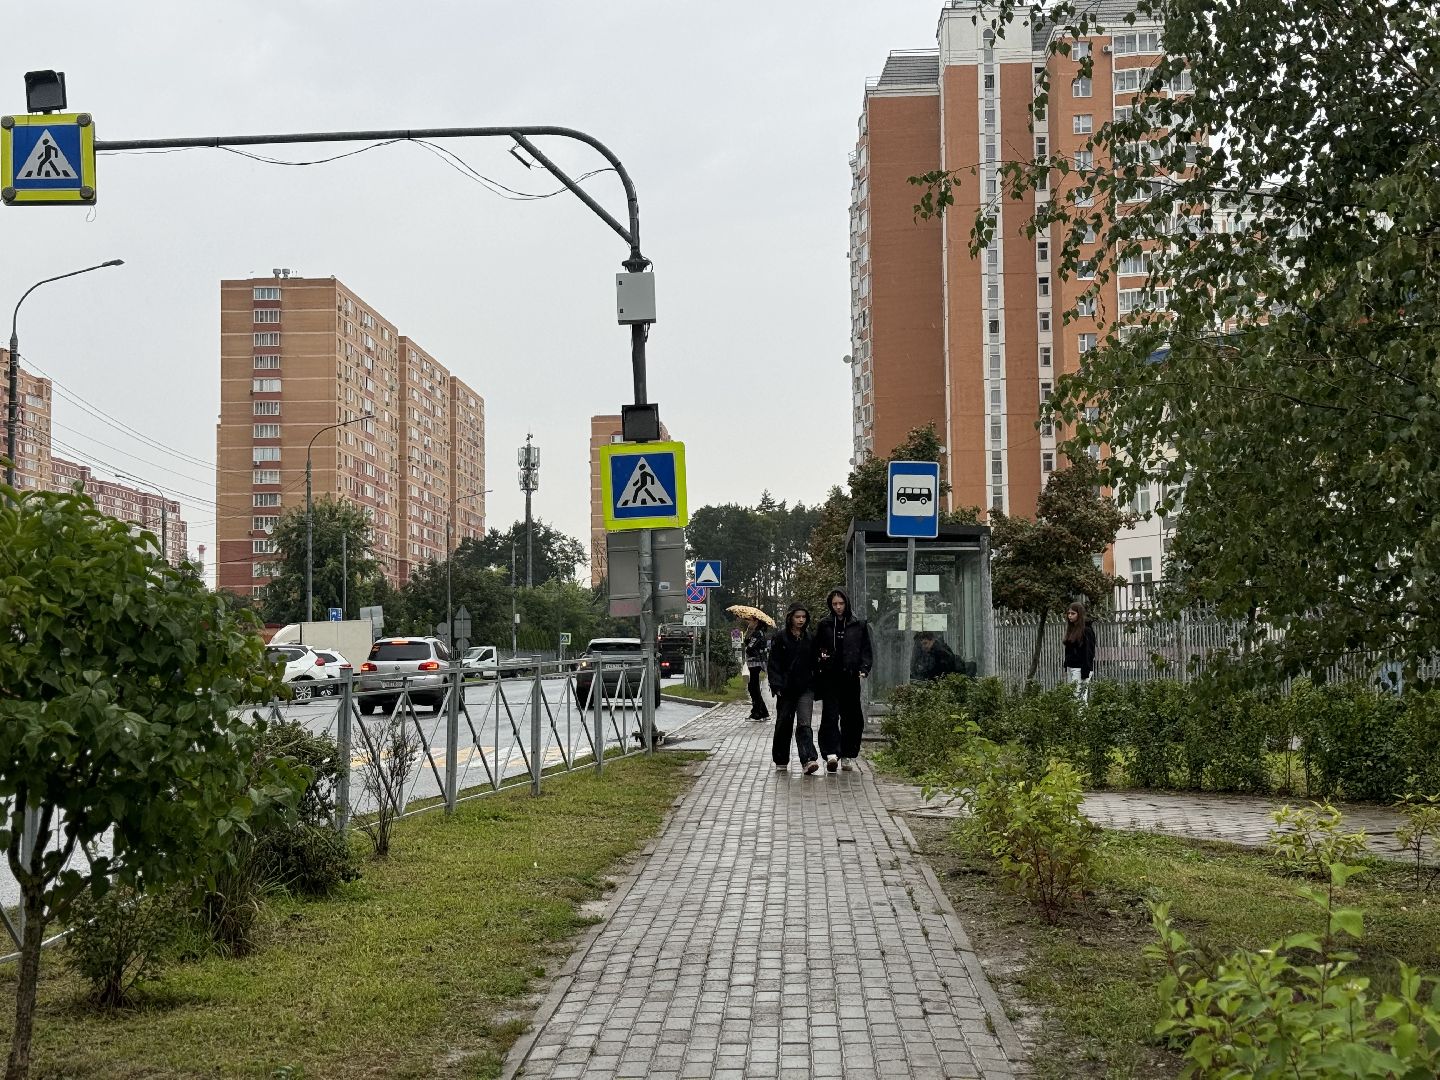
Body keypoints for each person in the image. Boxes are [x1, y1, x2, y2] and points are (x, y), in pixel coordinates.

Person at [814, 588, 873, 772]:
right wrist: (821, 660)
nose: (838, 607)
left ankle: (847, 754)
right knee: (830, 715)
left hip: (851, 676)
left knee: (852, 717)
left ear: (846, 603)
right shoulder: (824, 624)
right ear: (830, 605)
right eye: (834, 604)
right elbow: (817, 647)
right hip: (831, 677)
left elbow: (866, 650)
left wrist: (864, 668)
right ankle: (831, 752)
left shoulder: (858, 625)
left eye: (841, 603)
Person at [767, 602, 820, 775]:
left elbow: (815, 661)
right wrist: (776, 685)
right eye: (798, 617)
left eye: (804, 617)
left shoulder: (810, 638)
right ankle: (781, 759)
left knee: (804, 724)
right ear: (790, 618)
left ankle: (808, 759)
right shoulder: (780, 637)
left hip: (806, 687)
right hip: (786, 688)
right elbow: (773, 663)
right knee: (784, 723)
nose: (801, 620)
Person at [1063, 601, 1097, 700]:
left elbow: (1089, 652)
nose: (1070, 616)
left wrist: (1085, 671)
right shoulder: (1072, 629)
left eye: (1073, 613)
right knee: (1074, 697)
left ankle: (1082, 716)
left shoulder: (1086, 630)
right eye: (1068, 613)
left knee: (1078, 698)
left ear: (1080, 614)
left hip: (1081, 669)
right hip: (1071, 667)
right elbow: (1068, 650)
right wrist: (1066, 666)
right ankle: (1078, 716)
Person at [744, 617, 771, 721]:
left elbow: (750, 647)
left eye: (750, 620)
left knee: (753, 687)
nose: (748, 622)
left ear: (756, 622)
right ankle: (763, 712)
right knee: (753, 687)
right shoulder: (756, 632)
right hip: (754, 662)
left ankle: (757, 713)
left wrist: (749, 639)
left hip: (755, 663)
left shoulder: (757, 633)